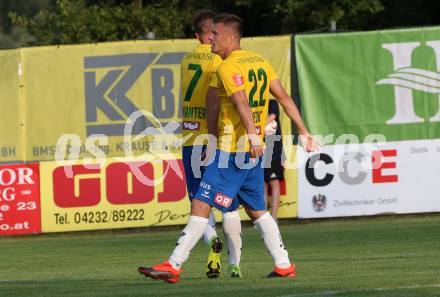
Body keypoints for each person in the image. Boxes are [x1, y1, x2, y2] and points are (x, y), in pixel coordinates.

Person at [138, 13, 317, 283]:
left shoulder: (227, 67)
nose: (211, 39)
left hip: (232, 150)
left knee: (201, 203)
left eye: (216, 35)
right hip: (251, 152)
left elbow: (241, 102)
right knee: (257, 209)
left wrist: (250, 135)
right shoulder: (260, 61)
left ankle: (173, 265)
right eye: (209, 34)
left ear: (231, 37)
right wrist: (303, 130)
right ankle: (284, 264)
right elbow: (283, 98)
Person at [176, 10, 243, 279]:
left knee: (197, 203)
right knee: (227, 203)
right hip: (217, 138)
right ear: (212, 33)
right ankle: (234, 262)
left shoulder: (186, 58)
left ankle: (211, 242)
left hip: (191, 139)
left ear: (195, 36)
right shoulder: (220, 61)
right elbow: (218, 98)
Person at [264, 99, 284, 224]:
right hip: (259, 149)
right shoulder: (251, 104)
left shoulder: (271, 103)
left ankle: (274, 218)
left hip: (274, 150)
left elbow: (272, 116)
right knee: (262, 184)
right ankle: (264, 219)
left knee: (274, 182)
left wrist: (256, 126)